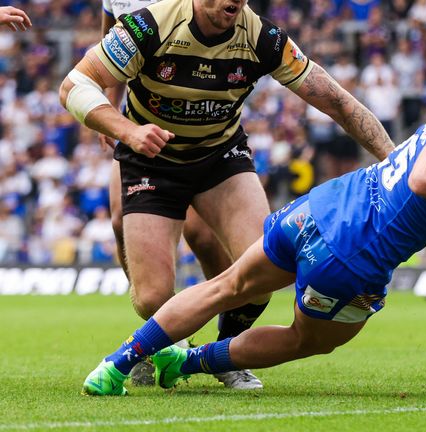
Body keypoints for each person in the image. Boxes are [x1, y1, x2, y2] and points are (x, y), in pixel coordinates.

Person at [79, 39, 426, 396]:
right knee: (309, 339)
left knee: (228, 285)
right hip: (354, 256)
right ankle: (188, 362)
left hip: (324, 206)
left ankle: (115, 365)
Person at [61, 0, 394, 392]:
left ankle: (222, 355)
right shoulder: (149, 25)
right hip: (151, 159)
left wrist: (398, 162)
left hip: (220, 158)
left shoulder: (262, 37)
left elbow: (336, 100)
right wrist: (126, 129)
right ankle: (164, 346)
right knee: (152, 297)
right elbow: (74, 84)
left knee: (264, 270)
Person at [97, 0, 267, 389]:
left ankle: (225, 351)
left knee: (206, 238)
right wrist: (109, 109)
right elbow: (107, 41)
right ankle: (161, 340)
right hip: (143, 132)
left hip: (203, 135)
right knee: (120, 220)